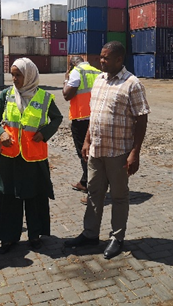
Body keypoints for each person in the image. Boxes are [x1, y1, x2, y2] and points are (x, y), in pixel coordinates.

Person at [64, 41, 150, 260]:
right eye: (100, 57)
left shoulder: (132, 84)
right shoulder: (99, 80)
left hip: (119, 152)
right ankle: (90, 234)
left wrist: (135, 152)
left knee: (119, 196)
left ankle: (117, 238)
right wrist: (86, 141)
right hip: (96, 150)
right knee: (94, 193)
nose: (101, 61)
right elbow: (94, 114)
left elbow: (141, 119)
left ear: (119, 60)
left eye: (105, 57)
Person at [0, 57, 62, 254]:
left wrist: (44, 133)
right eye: (12, 75)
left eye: (18, 75)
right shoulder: (6, 95)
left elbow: (57, 118)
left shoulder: (45, 98)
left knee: (35, 198)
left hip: (34, 159)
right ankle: (8, 238)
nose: (14, 79)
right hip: (10, 157)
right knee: (8, 198)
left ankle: (35, 235)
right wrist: (0, 133)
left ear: (29, 75)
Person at [62, 56, 101, 204]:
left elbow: (66, 95)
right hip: (96, 118)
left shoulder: (76, 72)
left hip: (81, 120)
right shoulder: (97, 72)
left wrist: (66, 79)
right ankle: (84, 182)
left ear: (71, 65)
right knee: (93, 152)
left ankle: (93, 192)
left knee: (84, 154)